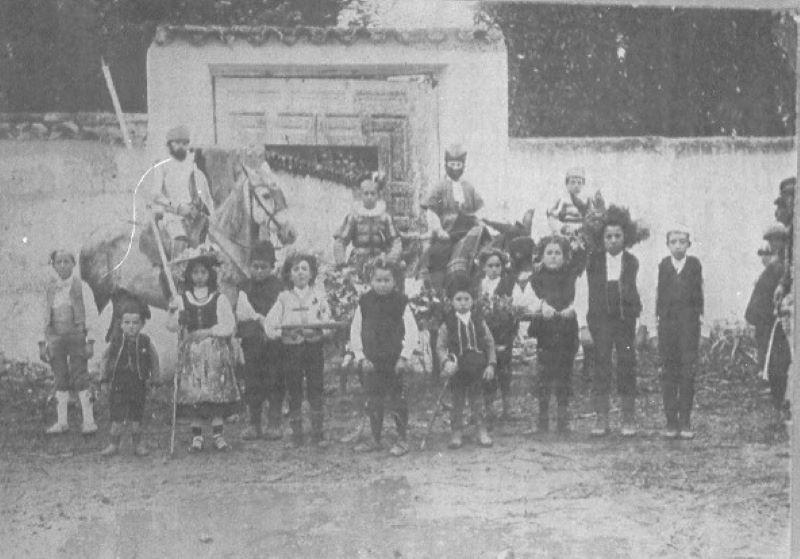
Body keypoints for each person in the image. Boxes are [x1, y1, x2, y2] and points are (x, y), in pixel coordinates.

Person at [168, 250, 239, 452]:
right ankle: (197, 438)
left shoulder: (219, 298)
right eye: (195, 272)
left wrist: (208, 331)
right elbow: (172, 327)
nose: (199, 276)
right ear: (190, 275)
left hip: (214, 353)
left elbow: (228, 325)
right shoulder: (182, 299)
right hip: (192, 355)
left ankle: (218, 435)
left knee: (215, 395)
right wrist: (173, 312)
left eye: (203, 272)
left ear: (210, 275)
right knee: (195, 396)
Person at [581, 207, 642, 437]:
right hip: (601, 322)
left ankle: (628, 418)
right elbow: (581, 293)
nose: (613, 240)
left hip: (625, 322)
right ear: (601, 238)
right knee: (601, 365)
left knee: (627, 363)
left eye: (618, 236)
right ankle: (601, 418)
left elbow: (642, 292)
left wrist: (643, 325)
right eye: (608, 236)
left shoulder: (633, 262)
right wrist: (584, 326)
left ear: (625, 236)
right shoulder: (593, 262)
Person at [349, 257, 419, 456]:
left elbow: (412, 332)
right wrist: (361, 357)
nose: (382, 284)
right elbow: (355, 330)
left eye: (387, 280)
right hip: (372, 361)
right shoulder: (364, 302)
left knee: (397, 399)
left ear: (395, 281)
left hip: (393, 360)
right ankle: (375, 437)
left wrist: (404, 357)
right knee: (374, 400)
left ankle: (402, 438)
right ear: (371, 281)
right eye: (378, 280)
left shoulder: (400, 302)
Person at [264, 253, 333, 448]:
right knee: (294, 389)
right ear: (289, 275)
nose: (300, 273)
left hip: (313, 347)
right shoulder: (284, 298)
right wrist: (279, 333)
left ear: (311, 274)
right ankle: (297, 435)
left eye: (304, 269)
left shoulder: (319, 296)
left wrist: (322, 329)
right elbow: (271, 322)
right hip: (292, 349)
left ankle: (318, 434)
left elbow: (327, 319)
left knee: (316, 388)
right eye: (295, 269)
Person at [39, 249, 102, 435]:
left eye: (67, 261)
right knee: (60, 378)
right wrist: (42, 343)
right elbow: (42, 316)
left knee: (80, 376)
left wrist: (90, 341)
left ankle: (89, 422)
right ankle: (62, 421)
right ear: (53, 265)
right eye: (59, 262)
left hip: (76, 337)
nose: (63, 265)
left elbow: (91, 312)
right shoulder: (49, 289)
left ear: (74, 264)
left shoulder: (82, 286)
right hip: (55, 338)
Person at [436, 277, 497, 449]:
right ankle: (456, 432)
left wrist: (491, 364)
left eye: (466, 299)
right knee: (457, 402)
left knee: (478, 400)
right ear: (451, 301)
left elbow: (490, 343)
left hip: (477, 367)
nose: (462, 303)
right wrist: (445, 362)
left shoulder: (479, 321)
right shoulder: (447, 324)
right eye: (458, 299)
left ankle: (481, 431)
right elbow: (440, 346)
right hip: (458, 369)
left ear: (473, 301)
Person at [656, 225, 704, 440]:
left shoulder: (694, 266)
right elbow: (655, 296)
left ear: (688, 244)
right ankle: (671, 422)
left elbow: (703, 295)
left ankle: (685, 421)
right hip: (667, 328)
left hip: (689, 328)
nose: (677, 245)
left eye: (682, 241)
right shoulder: (663, 266)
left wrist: (705, 327)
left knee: (687, 374)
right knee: (668, 373)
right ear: (667, 245)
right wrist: (651, 328)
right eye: (673, 242)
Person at [528, 236, 580, 434]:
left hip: (566, 328)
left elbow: (579, 296)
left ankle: (562, 419)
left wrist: (572, 309)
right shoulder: (537, 276)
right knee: (545, 373)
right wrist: (543, 306)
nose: (553, 257)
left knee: (564, 373)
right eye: (549, 253)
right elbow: (532, 297)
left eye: (558, 253)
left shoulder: (571, 275)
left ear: (565, 256)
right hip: (546, 330)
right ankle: (542, 419)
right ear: (541, 256)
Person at [235, 241, 284, 441]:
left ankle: (274, 422)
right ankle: (254, 423)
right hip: (252, 339)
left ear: (272, 267)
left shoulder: (279, 287)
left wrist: (269, 324)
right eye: (255, 266)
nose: (259, 271)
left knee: (274, 381)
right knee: (253, 381)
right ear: (249, 267)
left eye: (264, 267)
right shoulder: (244, 287)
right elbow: (242, 313)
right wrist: (256, 322)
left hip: (273, 342)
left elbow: (280, 312)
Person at [419, 144, 485, 289]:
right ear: (446, 164)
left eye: (458, 164)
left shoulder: (468, 187)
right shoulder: (440, 186)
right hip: (448, 232)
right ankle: (439, 290)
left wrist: (480, 222)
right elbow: (431, 211)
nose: (455, 168)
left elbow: (479, 209)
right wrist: (438, 230)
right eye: (452, 164)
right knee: (437, 256)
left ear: (463, 165)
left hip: (468, 230)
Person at [99, 301, 160, 457]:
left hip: (137, 384)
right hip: (119, 384)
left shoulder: (145, 341)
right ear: (120, 324)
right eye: (127, 323)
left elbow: (154, 361)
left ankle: (138, 444)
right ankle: (113, 444)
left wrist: (154, 382)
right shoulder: (116, 341)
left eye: (135, 323)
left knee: (136, 418)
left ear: (142, 324)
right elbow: (105, 359)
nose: (131, 326)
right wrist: (104, 380)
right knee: (117, 417)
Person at [148, 125, 214, 258]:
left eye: (185, 143)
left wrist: (209, 214)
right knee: (180, 240)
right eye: (177, 143)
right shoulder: (162, 165)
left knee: (208, 246)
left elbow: (204, 192)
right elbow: (155, 194)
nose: (181, 146)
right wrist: (177, 207)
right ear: (169, 145)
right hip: (173, 214)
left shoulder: (192, 164)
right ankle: (176, 272)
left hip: (195, 214)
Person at [746, 241, 791, 426]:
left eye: (767, 253)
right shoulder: (772, 270)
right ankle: (770, 387)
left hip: (770, 320)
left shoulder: (778, 268)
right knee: (767, 352)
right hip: (763, 319)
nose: (764, 257)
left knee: (773, 356)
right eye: (761, 253)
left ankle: (777, 394)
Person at [333, 174, 402, 281]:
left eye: (372, 194)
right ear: (361, 195)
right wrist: (341, 264)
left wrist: (390, 259)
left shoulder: (385, 217)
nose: (369, 197)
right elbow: (340, 241)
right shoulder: (353, 217)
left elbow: (396, 242)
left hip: (380, 263)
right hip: (357, 263)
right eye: (366, 194)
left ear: (378, 195)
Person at [476, 248, 517, 423]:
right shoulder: (478, 285)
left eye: (498, 265)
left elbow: (512, 309)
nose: (494, 269)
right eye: (490, 265)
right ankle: (489, 408)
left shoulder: (508, 283)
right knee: (486, 369)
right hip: (484, 334)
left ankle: (507, 408)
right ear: (484, 267)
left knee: (504, 370)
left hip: (503, 333)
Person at [547, 167, 593, 237]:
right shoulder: (562, 200)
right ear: (567, 184)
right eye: (573, 182)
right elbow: (552, 218)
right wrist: (562, 228)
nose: (576, 185)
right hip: (565, 233)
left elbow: (591, 217)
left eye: (579, 182)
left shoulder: (587, 200)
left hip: (582, 233)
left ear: (583, 184)